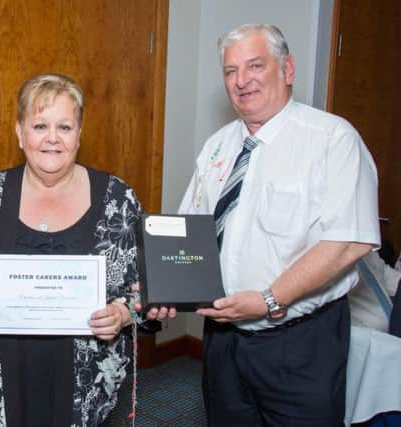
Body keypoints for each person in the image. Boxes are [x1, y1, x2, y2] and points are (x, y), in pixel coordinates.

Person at [149, 24, 380, 426]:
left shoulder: (332, 140)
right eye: (230, 71)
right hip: (222, 338)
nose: (241, 81)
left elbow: (347, 242)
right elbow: (190, 230)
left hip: (299, 342)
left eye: (255, 65)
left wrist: (270, 300)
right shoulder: (217, 146)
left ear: (287, 69)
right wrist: (167, 285)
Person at [0, 73, 142, 426]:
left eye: (65, 127)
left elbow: (147, 289)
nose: (52, 138)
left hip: (87, 387)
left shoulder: (118, 199)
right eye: (39, 125)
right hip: (0, 384)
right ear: (20, 132)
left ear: (79, 134)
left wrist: (123, 314)